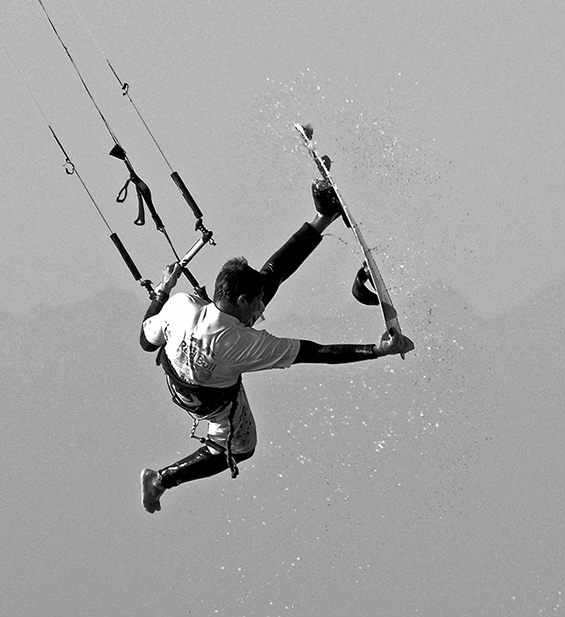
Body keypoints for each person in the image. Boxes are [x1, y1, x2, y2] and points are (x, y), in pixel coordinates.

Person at [136, 180, 413, 513]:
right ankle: (161, 480)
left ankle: (322, 217)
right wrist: (376, 350)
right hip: (210, 402)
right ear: (239, 300)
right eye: (256, 305)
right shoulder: (241, 344)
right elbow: (313, 353)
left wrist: (162, 292)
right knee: (240, 448)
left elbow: (145, 341)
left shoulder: (181, 306)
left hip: (178, 376)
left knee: (269, 278)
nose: (260, 311)